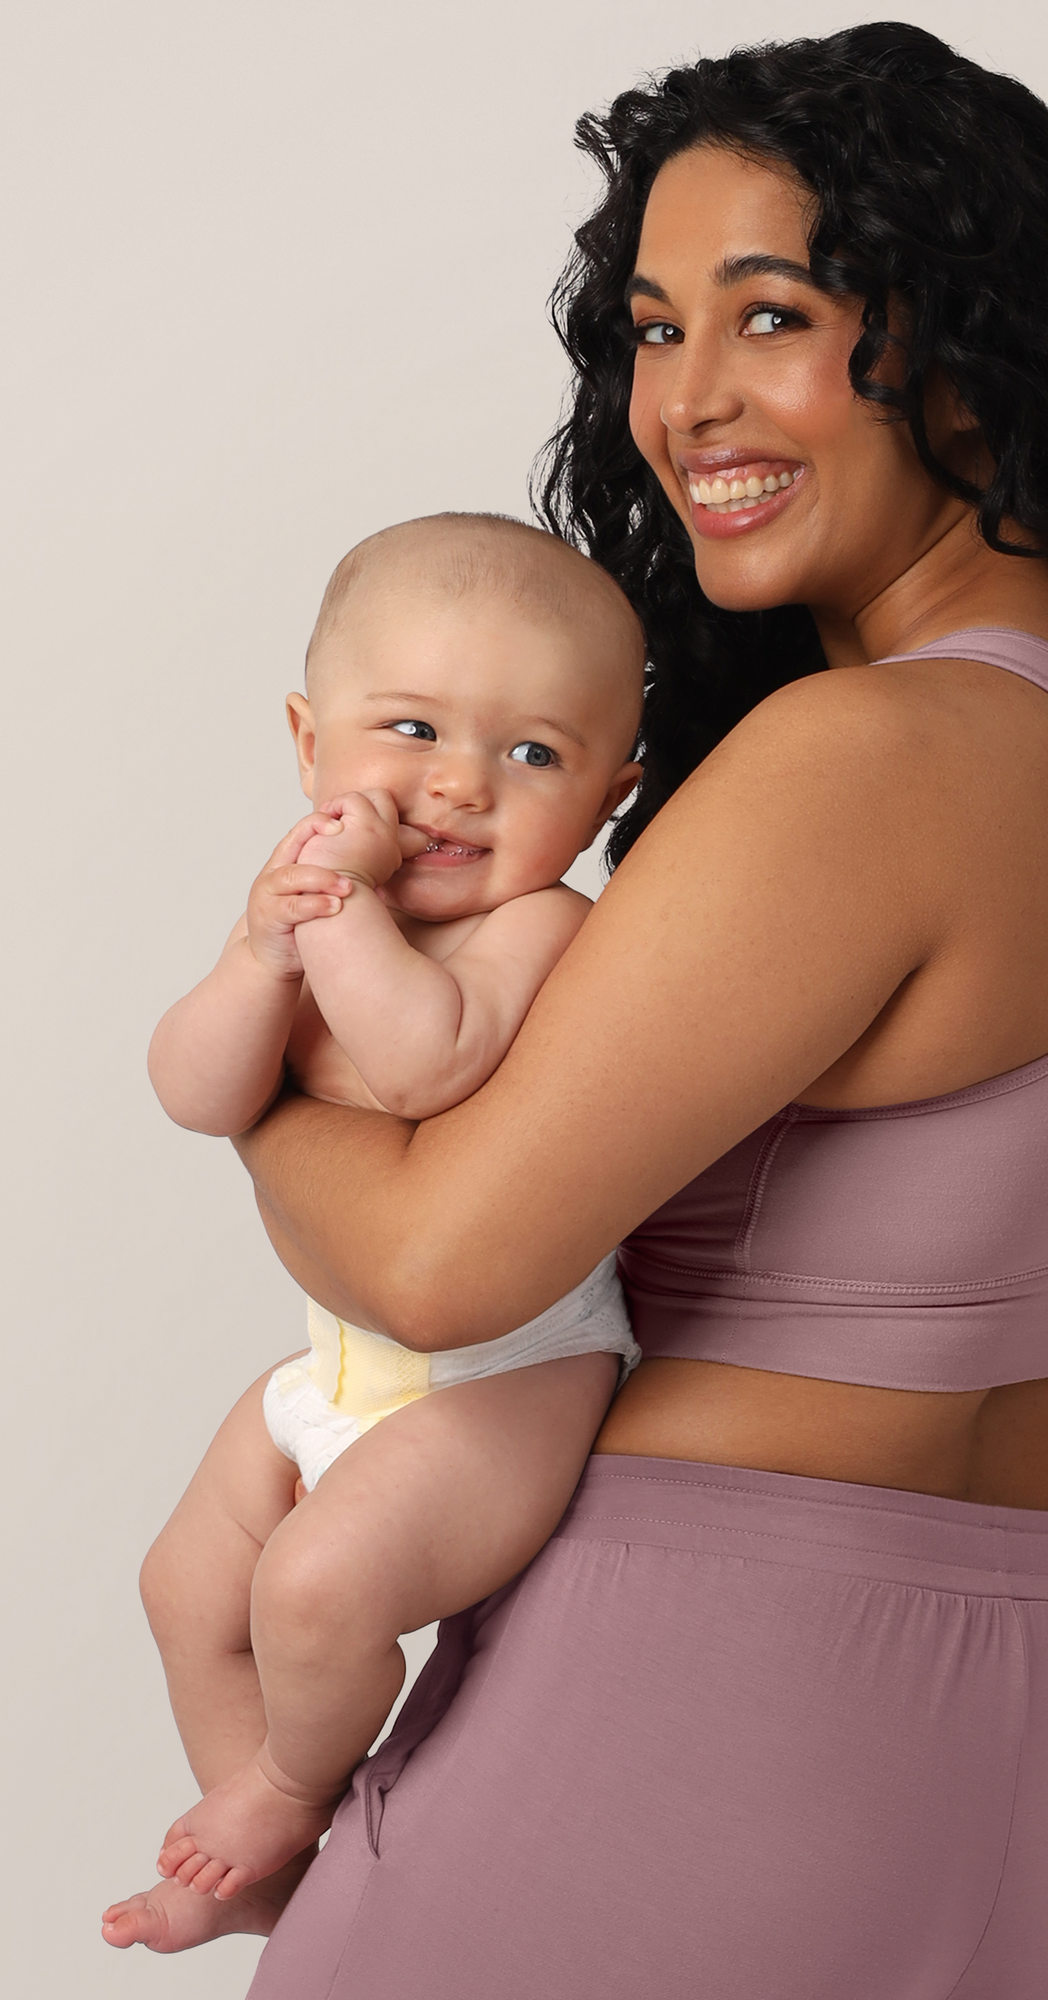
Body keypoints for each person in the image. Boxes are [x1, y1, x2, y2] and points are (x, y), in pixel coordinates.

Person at [116, 22, 1048, 1995]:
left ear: (965, 330)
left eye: (773, 314)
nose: (688, 402)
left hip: (695, 1708)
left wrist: (285, 995)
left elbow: (447, 1264)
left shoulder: (867, 755)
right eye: (652, 329)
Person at [102, 514, 645, 1941]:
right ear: (308, 740)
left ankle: (289, 1781)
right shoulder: (296, 914)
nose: (460, 787)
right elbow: (197, 1090)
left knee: (319, 1585)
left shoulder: (544, 930)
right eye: (409, 729)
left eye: (535, 755)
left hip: (515, 1376)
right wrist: (256, 955)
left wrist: (333, 925)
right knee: (184, 1587)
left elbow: (426, 1068)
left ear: (607, 797)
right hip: (336, 1363)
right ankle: (279, 1881)